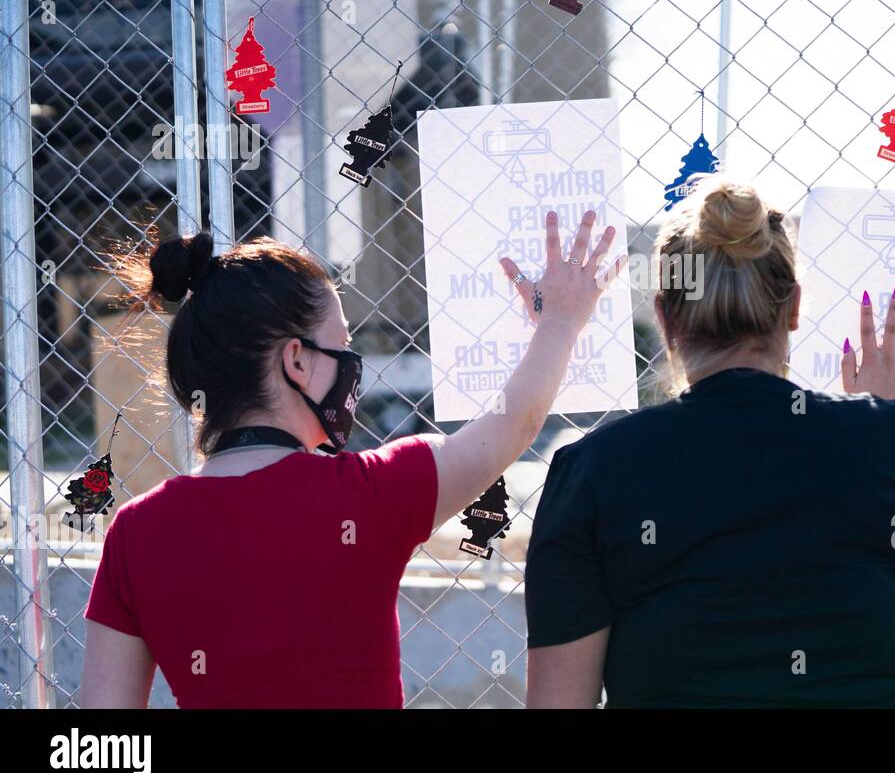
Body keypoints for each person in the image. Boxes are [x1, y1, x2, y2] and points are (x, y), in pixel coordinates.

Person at [81, 210, 621, 708]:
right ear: (295, 359)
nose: (352, 366)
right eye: (341, 346)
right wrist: (560, 324)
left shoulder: (134, 532)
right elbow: (513, 424)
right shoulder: (372, 492)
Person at [524, 178, 895, 708]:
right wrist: (891, 415)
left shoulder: (593, 469)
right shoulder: (878, 438)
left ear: (665, 316)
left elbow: (558, 703)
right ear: (793, 309)